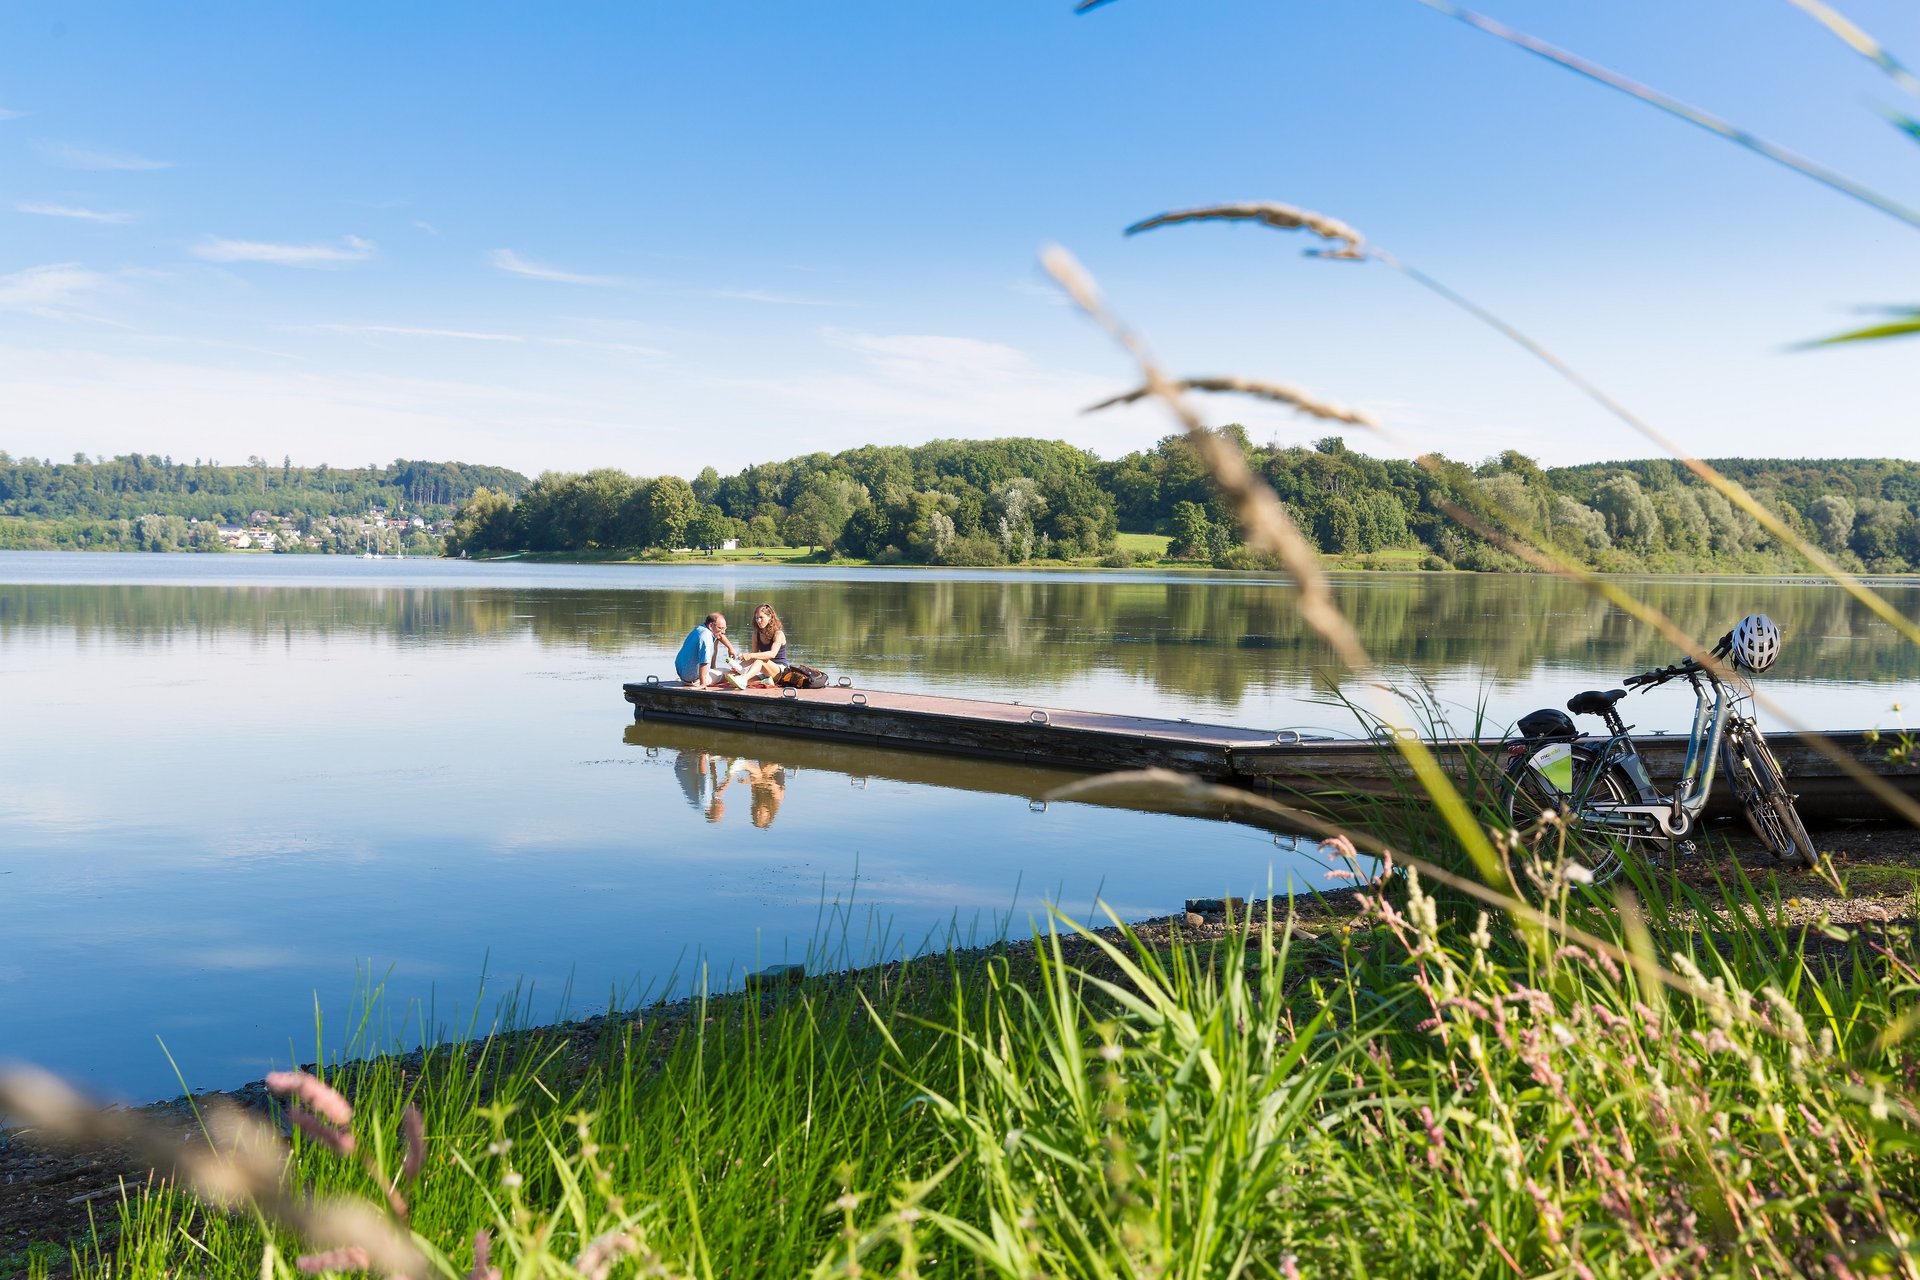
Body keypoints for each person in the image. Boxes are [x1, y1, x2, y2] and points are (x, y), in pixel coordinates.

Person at [674, 613, 746, 688]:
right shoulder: (706, 637)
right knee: (732, 673)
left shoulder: (700, 628)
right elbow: (704, 662)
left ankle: (711, 670)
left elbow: (720, 636)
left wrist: (730, 648)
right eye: (720, 628)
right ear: (711, 625)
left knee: (716, 637)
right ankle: (706, 678)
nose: (723, 631)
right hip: (695, 681)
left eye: (725, 628)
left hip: (684, 675)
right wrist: (703, 684)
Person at [734, 603, 790, 686]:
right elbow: (752, 659)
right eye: (756, 618)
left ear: (770, 617)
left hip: (780, 671)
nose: (758, 621)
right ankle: (765, 682)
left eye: (761, 617)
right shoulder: (756, 634)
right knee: (747, 681)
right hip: (765, 670)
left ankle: (743, 679)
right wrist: (738, 666)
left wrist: (750, 655)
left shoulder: (778, 634)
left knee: (759, 660)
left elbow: (772, 654)